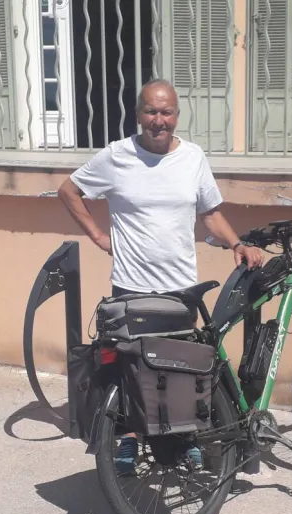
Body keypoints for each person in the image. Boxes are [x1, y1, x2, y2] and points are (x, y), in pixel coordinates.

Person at [58, 78, 263, 475]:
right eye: (151, 111)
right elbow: (69, 191)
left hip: (180, 289)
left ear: (176, 116)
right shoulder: (117, 156)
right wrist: (99, 237)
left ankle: (184, 441)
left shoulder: (193, 157)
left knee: (179, 371)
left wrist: (236, 243)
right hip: (131, 287)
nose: (159, 120)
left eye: (166, 112)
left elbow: (210, 214)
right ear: (138, 115)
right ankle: (129, 441)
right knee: (130, 372)